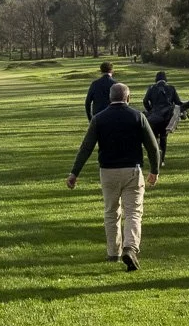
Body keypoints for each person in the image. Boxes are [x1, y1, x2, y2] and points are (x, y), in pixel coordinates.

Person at [66, 82, 160, 271]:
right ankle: (130, 247)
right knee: (133, 212)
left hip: (107, 171)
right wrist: (154, 170)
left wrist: (74, 173)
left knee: (111, 212)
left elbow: (86, 147)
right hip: (132, 171)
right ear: (128, 97)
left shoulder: (99, 119)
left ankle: (113, 253)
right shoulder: (138, 117)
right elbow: (152, 147)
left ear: (110, 98)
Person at [142, 71, 186, 167]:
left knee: (153, 138)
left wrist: (150, 110)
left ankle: (155, 158)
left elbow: (145, 101)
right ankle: (162, 160)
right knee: (163, 137)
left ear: (156, 79)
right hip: (166, 117)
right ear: (166, 79)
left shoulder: (151, 88)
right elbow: (177, 102)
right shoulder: (171, 88)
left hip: (153, 116)